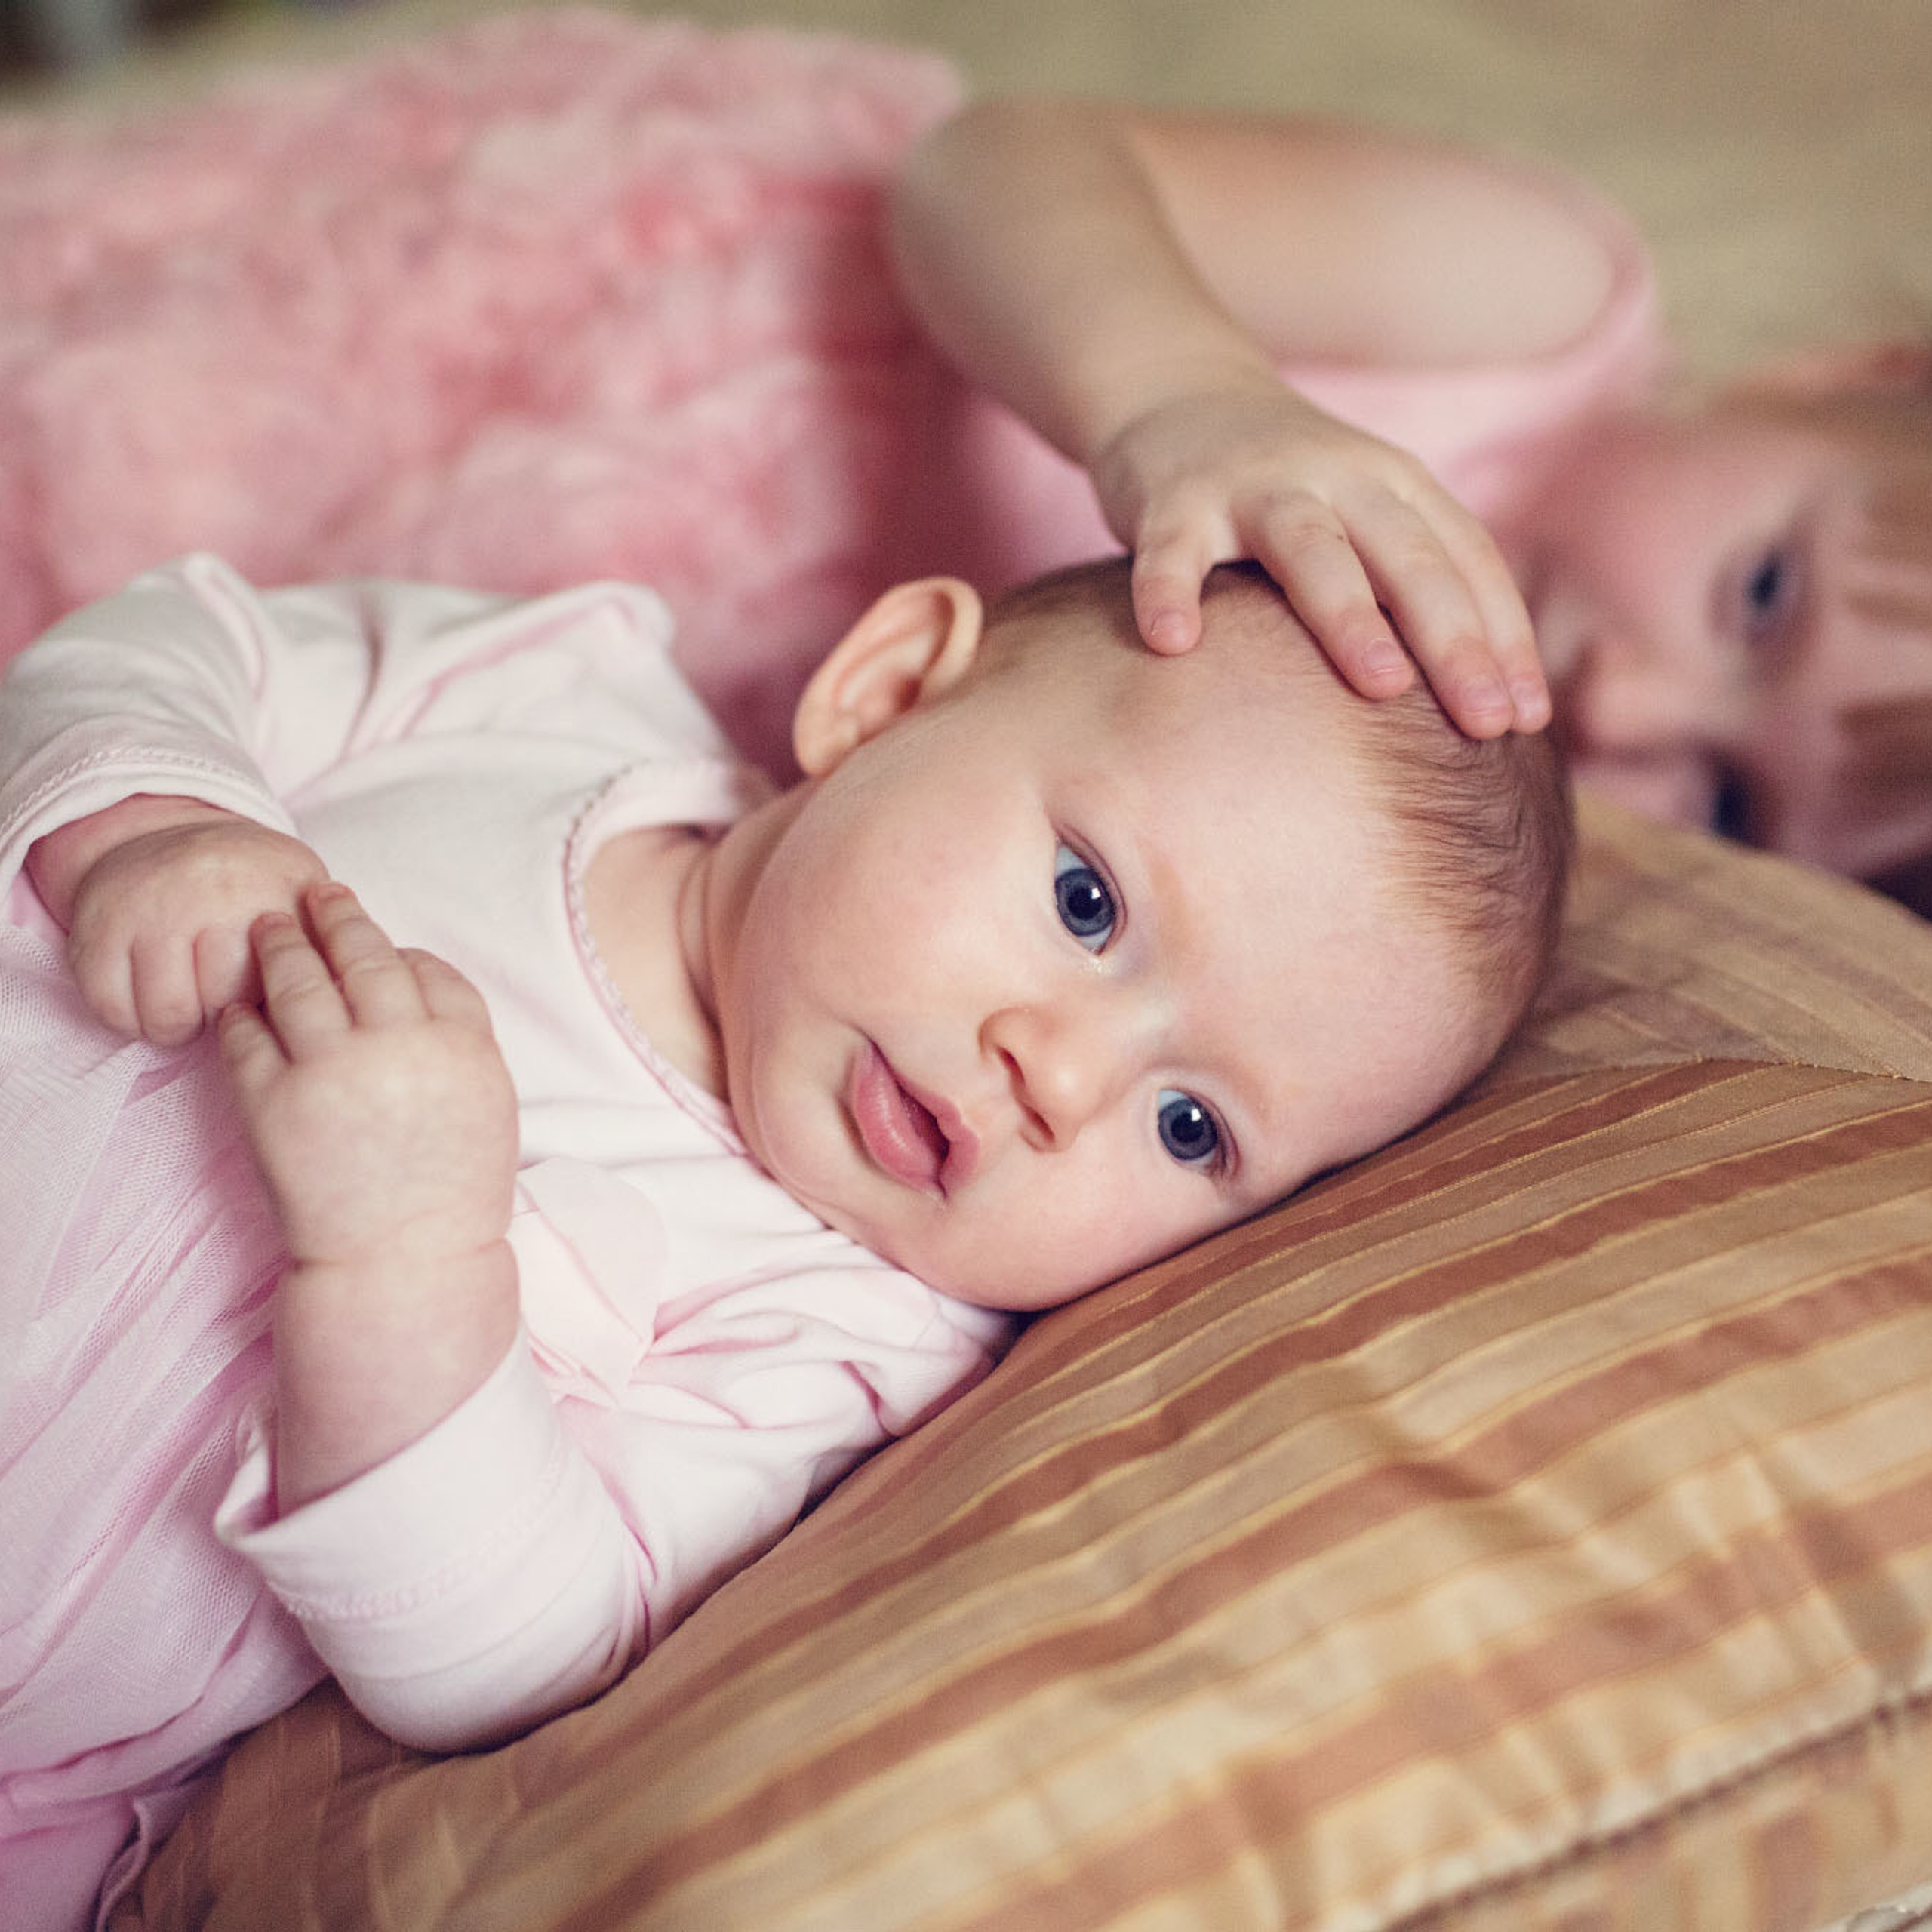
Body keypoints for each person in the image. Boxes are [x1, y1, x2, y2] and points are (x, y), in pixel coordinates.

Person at [0, 543, 1567, 1930]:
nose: (1062, 1077)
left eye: (1189, 1127)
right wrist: (153, 819)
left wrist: (404, 1257)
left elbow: (513, 1642)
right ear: (883, 696)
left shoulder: (845, 1333)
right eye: (1087, 902)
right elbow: (175, 641)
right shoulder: (556, 694)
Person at [884, 99, 1932, 912]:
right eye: (1762, 595)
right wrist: (1180, 393)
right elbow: (990, 163)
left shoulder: (1444, 849)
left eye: (1730, 807)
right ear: (1841, 375)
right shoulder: (1531, 303)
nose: (1621, 707)